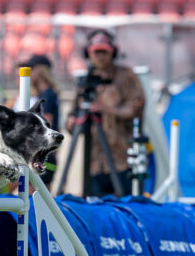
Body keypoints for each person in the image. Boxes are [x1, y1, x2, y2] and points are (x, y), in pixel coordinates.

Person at [65, 29, 145, 197]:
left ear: (113, 53)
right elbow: (74, 114)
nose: (100, 56)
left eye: (104, 52)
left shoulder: (126, 76)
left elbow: (135, 107)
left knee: (123, 207)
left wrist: (105, 108)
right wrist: (72, 123)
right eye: (96, 52)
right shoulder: (86, 80)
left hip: (122, 160)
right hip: (94, 162)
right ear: (89, 54)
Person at [13, 54, 60, 185]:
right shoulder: (46, 94)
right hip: (44, 152)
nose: (30, 72)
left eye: (32, 68)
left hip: (42, 154)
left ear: (41, 70)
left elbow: (46, 124)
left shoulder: (47, 95)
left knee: (36, 197)